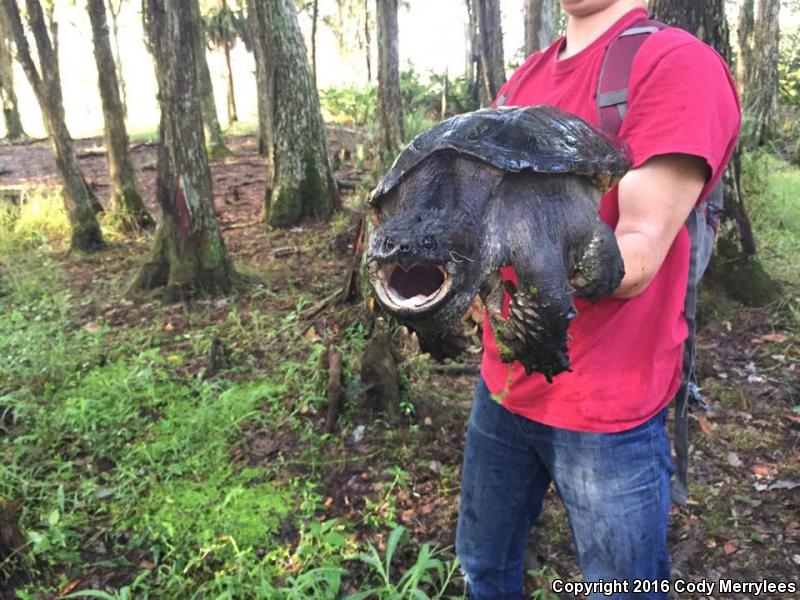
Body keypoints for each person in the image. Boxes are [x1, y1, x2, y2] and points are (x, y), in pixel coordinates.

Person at [455, 1, 741, 598]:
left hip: (607, 405)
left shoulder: (677, 65)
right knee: (484, 565)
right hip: (502, 385)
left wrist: (526, 257)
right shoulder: (524, 79)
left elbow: (636, 252)